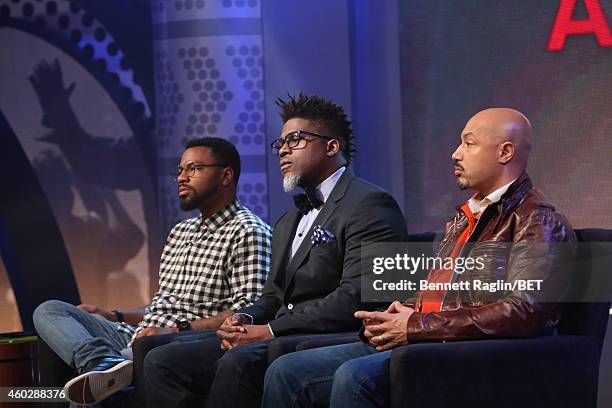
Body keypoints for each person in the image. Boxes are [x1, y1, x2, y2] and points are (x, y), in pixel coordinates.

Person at [262, 108, 576, 408]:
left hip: (468, 351)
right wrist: (403, 310)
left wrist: (417, 324)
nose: (456, 153)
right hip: (430, 338)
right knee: (285, 370)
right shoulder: (464, 217)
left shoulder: (537, 220)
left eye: (469, 143)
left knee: (352, 377)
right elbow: (442, 294)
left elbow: (523, 311)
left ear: (505, 153)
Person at [143, 93, 408, 408]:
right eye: (280, 143)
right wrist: (243, 317)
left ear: (332, 147)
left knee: (239, 361)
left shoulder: (372, 203)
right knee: (162, 359)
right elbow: (273, 297)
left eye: (295, 140)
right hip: (283, 333)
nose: (282, 149)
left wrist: (268, 329)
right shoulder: (288, 220)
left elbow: (359, 295)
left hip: (336, 336)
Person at [33, 137, 272, 405]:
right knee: (50, 310)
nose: (182, 178)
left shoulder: (248, 231)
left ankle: (103, 371)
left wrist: (177, 329)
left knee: (87, 390)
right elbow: (165, 304)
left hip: (181, 342)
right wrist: (115, 315)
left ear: (226, 175)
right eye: (179, 170)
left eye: (193, 169)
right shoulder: (181, 231)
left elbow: (247, 312)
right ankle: (101, 362)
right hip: (137, 334)